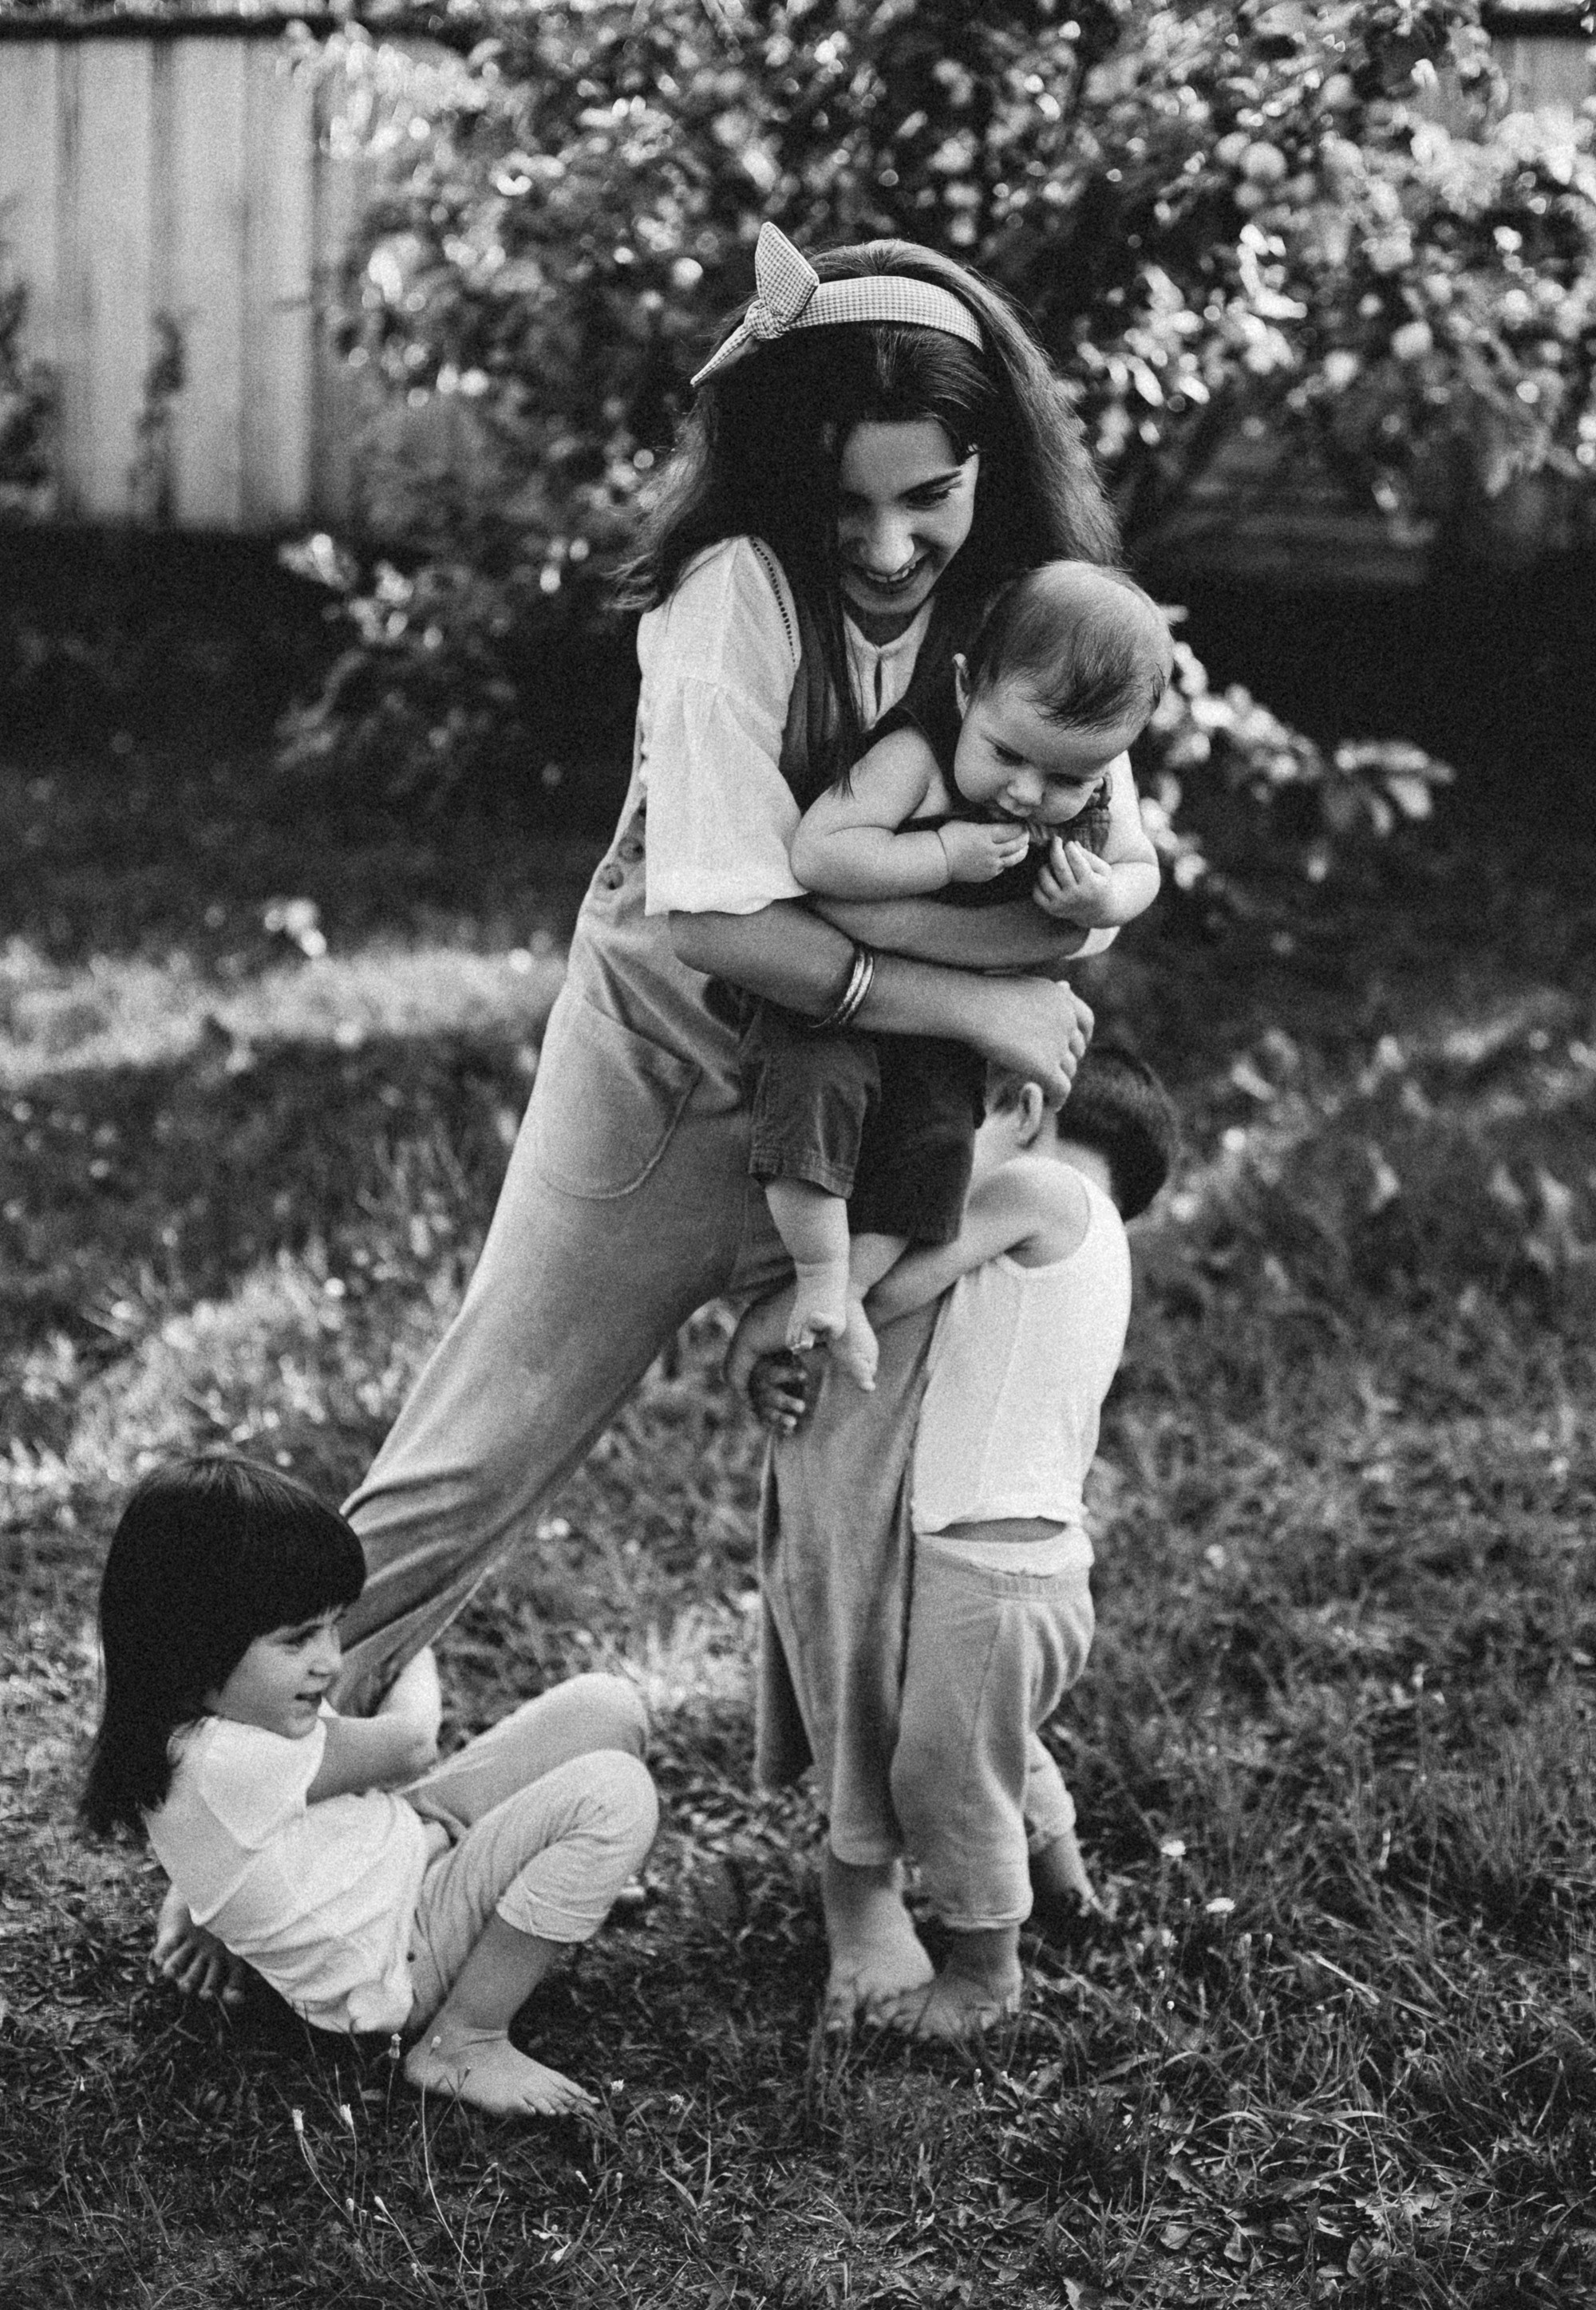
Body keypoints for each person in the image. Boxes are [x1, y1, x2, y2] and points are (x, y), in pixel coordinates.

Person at [170, 219, 1128, 2027]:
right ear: (779, 477)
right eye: (843, 506)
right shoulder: (723, 604)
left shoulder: (1034, 606)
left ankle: (888, 1877)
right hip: (660, 1100)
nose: (888, 546)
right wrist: (966, 979)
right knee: (464, 1461)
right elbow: (709, 918)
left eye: (926, 496)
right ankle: (227, 1842)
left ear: (987, 454)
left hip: (872, 1152)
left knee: (859, 1515)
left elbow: (1088, 898)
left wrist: (879, 922)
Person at [735, 1045, 1179, 2039]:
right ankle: (1062, 1879)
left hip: (985, 1570)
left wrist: (755, 1333)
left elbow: (876, 1294)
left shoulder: (1036, 1188)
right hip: (1031, 1568)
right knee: (989, 1738)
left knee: (940, 1770)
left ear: (1023, 1107)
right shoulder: (1092, 1241)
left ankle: (986, 1973)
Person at [85, 1455, 657, 2117]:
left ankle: (548, 1895)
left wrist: (192, 1904)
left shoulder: (206, 1713)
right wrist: (414, 1635)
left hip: (407, 1849)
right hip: (400, 1956)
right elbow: (412, 1743)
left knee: (606, 1710)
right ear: (194, 1645)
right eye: (299, 1638)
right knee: (615, 1793)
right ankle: (464, 2038)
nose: (328, 1658)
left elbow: (221, 1843)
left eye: (334, 1625)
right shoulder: (222, 1759)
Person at [743, 560, 1170, 1388]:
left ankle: (852, 1296)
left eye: (1066, 779)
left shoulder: (1082, 787)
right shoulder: (918, 755)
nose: (1025, 793)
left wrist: (1102, 893)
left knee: (938, 1145)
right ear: (968, 687)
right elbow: (819, 851)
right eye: (1006, 755)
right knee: (809, 1098)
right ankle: (818, 1276)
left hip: (944, 1024)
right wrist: (940, 851)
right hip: (833, 993)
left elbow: (1139, 868)